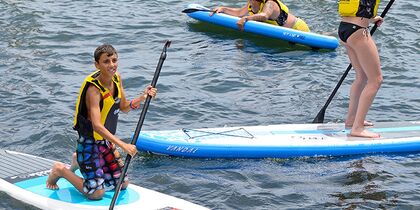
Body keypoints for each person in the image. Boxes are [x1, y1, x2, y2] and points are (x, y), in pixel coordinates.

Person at [46, 44, 157, 200]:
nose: (112, 65)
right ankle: (61, 170)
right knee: (97, 193)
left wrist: (143, 97)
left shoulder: (117, 79)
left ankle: (78, 159)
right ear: (97, 65)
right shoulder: (94, 91)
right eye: (106, 61)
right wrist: (123, 145)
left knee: (122, 183)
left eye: (114, 60)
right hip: (90, 142)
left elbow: (124, 107)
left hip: (105, 142)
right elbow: (97, 126)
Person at [338, 0, 383, 138]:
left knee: (362, 77)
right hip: (357, 31)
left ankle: (351, 120)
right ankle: (357, 128)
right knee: (376, 81)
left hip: (345, 28)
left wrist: (371, 18)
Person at [210, 0, 310, 32]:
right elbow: (239, 13)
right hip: (284, 32)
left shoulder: (270, 3)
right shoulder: (251, 3)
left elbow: (264, 16)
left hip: (298, 29)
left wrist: (246, 18)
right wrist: (223, 9)